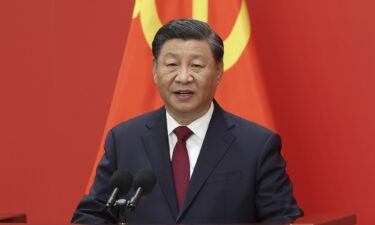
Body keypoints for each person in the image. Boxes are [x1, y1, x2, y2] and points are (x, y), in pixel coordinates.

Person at [71, 18, 303, 224]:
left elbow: (280, 218)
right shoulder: (123, 141)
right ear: (154, 70)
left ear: (219, 71)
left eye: (196, 66)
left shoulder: (257, 145)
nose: (183, 77)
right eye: (172, 65)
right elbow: (92, 214)